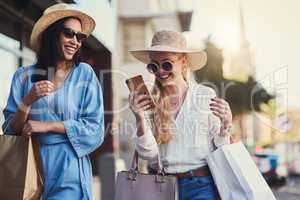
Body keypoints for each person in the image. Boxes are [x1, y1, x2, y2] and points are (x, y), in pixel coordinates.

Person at [2, 3, 104, 200]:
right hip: (29, 168)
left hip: (69, 171)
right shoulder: (23, 76)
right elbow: (9, 130)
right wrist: (27, 101)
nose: (75, 41)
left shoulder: (84, 74)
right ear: (52, 34)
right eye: (68, 33)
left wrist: (46, 126)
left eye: (80, 36)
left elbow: (96, 129)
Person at [128, 30, 233, 200]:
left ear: (184, 62)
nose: (161, 71)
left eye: (167, 64)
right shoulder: (148, 101)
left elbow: (220, 148)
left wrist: (226, 125)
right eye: (154, 66)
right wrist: (139, 117)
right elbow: (148, 155)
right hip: (159, 186)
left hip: (200, 186)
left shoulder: (205, 95)